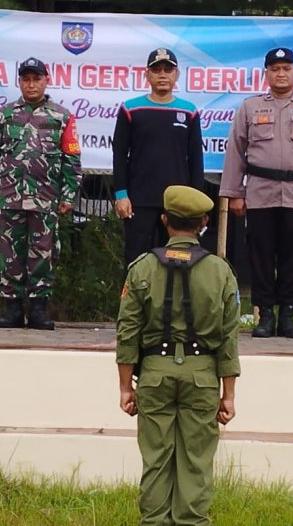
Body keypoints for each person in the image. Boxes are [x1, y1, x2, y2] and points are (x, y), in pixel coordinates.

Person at [116, 185, 240, 526]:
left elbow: (127, 332)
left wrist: (126, 387)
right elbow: (229, 338)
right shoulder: (220, 271)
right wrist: (228, 394)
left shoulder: (141, 268)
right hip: (202, 377)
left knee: (156, 459)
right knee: (196, 461)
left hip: (154, 374)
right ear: (203, 222)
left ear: (164, 220)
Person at [219, 47, 293, 339]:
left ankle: (288, 314)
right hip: (259, 192)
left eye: (286, 68)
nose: (281, 74)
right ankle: (264, 315)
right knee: (260, 254)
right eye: (275, 69)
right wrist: (234, 192)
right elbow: (235, 151)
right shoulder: (249, 107)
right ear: (266, 74)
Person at [0, 56, 82, 330]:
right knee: (9, 253)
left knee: (43, 253)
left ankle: (38, 308)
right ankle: (11, 307)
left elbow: (71, 158)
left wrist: (69, 195)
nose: (32, 84)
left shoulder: (61, 116)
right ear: (19, 82)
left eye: (37, 79)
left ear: (46, 80)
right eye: (26, 79)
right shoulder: (5, 114)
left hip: (45, 198)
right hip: (9, 197)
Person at [112, 47, 205, 268]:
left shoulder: (189, 111)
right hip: (139, 201)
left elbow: (195, 159)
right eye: (156, 70)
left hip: (177, 204)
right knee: (136, 261)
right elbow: (119, 154)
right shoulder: (130, 109)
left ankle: (170, 304)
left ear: (176, 75)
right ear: (147, 75)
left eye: (167, 70)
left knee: (177, 261)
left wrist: (197, 204)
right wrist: (121, 194)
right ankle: (133, 303)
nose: (162, 75)